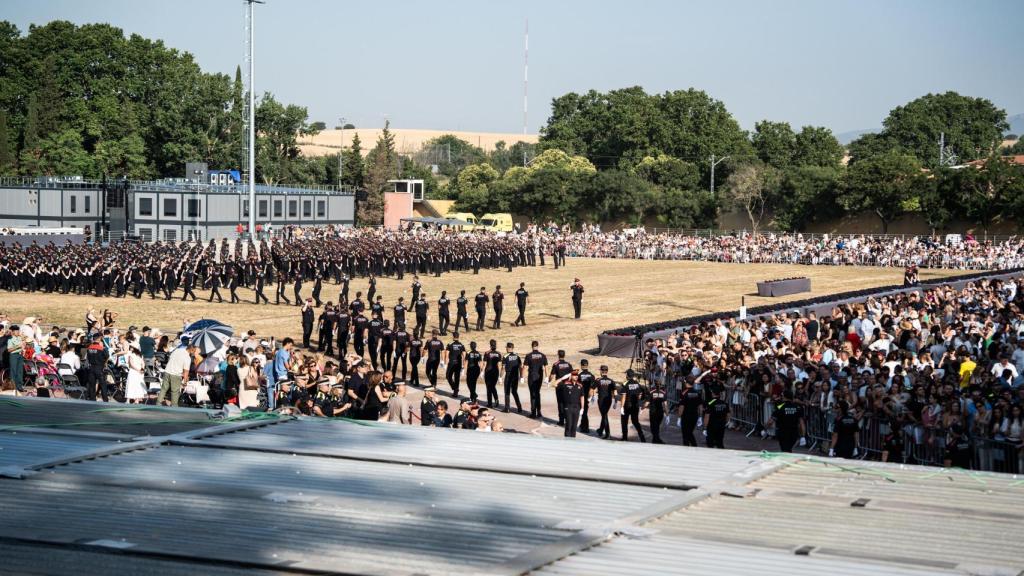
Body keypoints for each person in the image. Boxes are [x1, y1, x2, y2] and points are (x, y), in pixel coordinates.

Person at [619, 369, 646, 442]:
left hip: (627, 406)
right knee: (635, 422)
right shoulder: (637, 383)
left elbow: (623, 397)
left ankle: (625, 437)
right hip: (635, 406)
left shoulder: (625, 384)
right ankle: (642, 437)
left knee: (624, 422)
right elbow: (641, 394)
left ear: (627, 376)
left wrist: (621, 407)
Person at [524, 341, 548, 418]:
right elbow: (546, 367)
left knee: (532, 394)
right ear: (537, 346)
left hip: (532, 376)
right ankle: (539, 412)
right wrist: (546, 377)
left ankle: (533, 412)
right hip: (539, 376)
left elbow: (525, 367)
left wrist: (522, 377)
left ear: (532, 346)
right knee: (537, 393)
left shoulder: (529, 355)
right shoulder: (542, 355)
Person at [549, 350, 573, 426]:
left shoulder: (556, 364)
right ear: (564, 355)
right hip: (568, 386)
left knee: (560, 403)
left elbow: (552, 375)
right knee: (567, 402)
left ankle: (561, 420)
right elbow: (572, 375)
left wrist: (549, 381)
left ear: (558, 355)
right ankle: (568, 419)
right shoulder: (568, 364)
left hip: (559, 385)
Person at [500, 342, 523, 413]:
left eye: (506, 347)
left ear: (508, 348)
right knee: (514, 391)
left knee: (507, 392)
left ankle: (507, 408)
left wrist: (500, 376)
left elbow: (503, 368)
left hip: (509, 375)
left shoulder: (505, 356)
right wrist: (521, 376)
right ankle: (519, 407)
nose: (506, 348)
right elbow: (520, 367)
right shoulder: (517, 356)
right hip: (515, 375)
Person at [594, 365, 617, 439]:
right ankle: (600, 430)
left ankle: (608, 434)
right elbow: (615, 392)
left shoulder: (598, 380)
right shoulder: (611, 381)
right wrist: (615, 402)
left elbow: (592, 389)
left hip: (601, 400)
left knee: (604, 416)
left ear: (601, 371)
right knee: (604, 415)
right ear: (607, 371)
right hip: (609, 400)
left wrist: (591, 397)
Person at [562, 370, 584, 438]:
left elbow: (582, 396)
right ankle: (567, 441)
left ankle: (573, 441)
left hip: (577, 407)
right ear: (571, 376)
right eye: (574, 375)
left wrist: (582, 408)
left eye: (577, 375)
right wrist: (563, 378)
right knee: (569, 424)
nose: (576, 377)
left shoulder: (580, 385)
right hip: (568, 406)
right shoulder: (566, 383)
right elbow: (554, 384)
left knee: (574, 426)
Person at [444, 332, 466, 397]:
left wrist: (445, 363)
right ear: (458, 337)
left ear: (453, 337)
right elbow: (464, 355)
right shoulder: (461, 345)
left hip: (451, 363)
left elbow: (447, 354)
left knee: (448, 376)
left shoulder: (450, 344)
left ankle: (454, 388)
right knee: (457, 378)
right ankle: (456, 390)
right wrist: (463, 364)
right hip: (458, 364)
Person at [483, 339, 502, 408]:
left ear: (490, 345)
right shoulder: (499, 353)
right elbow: (499, 365)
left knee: (488, 387)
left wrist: (482, 372)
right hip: (495, 372)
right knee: (493, 386)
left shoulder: (487, 353)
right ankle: (496, 400)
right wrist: (500, 376)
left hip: (488, 371)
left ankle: (490, 403)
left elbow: (484, 364)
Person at [6, 325, 25, 392]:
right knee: (13, 371)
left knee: (20, 371)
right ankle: (13, 387)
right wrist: (18, 346)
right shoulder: (10, 339)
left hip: (20, 355)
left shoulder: (20, 338)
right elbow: (9, 350)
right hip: (13, 355)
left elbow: (23, 345)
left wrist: (23, 345)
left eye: (18, 330)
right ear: (13, 332)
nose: (18, 332)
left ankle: (19, 386)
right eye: (16, 331)